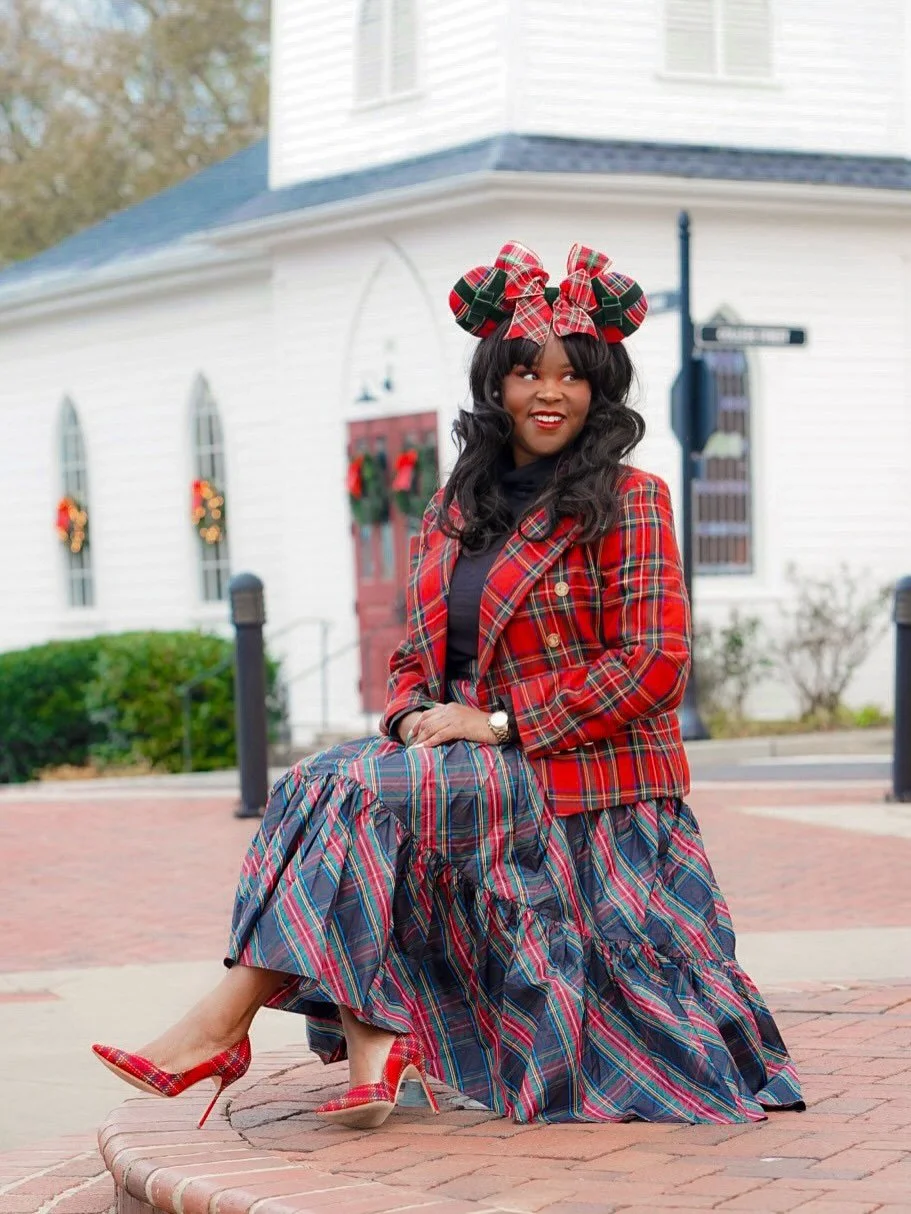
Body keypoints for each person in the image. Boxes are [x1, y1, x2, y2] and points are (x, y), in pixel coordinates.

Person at [93, 241, 803, 1128]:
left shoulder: (632, 499)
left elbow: (654, 668)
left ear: (600, 390)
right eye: (526, 374)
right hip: (473, 759)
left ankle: (238, 1026)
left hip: (576, 770)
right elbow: (410, 655)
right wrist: (413, 715)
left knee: (350, 790)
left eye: (571, 377)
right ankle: (367, 1036)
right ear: (494, 386)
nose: (549, 394)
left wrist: (495, 720)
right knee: (324, 779)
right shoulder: (455, 504)